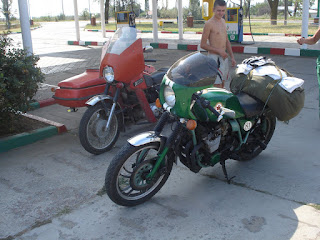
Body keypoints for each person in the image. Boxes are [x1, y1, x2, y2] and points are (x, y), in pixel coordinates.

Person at [200, 0, 236, 88]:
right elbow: (203, 44)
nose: (221, 13)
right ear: (213, 10)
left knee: (223, 82)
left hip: (223, 57)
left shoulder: (223, 22)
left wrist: (232, 57)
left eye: (223, 10)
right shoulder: (209, 24)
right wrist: (219, 51)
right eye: (219, 10)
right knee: (217, 85)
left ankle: (221, 102)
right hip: (214, 59)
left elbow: (227, 41)